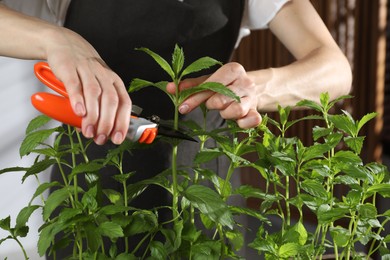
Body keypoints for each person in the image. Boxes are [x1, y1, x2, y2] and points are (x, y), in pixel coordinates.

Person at [0, 0, 352, 258]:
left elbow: (334, 68)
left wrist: (257, 88)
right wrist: (55, 39)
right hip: (93, 182)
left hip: (205, 177)